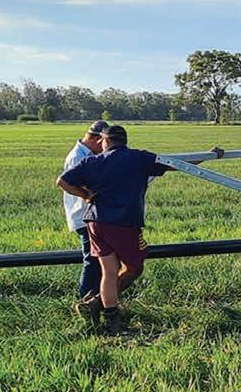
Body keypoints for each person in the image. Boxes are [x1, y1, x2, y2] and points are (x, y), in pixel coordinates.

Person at [57, 125, 222, 331]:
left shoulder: (92, 161)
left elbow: (62, 181)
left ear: (105, 141)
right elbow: (176, 164)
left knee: (109, 272)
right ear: (125, 141)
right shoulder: (139, 158)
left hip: (96, 223)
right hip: (124, 223)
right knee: (133, 268)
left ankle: (109, 316)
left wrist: (85, 195)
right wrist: (208, 155)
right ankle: (98, 304)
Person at [62, 121, 109, 313]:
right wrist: (88, 194)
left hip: (90, 216)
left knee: (99, 260)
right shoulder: (78, 157)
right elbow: (69, 183)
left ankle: (98, 299)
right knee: (92, 260)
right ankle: (86, 301)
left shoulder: (86, 154)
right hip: (84, 217)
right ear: (98, 140)